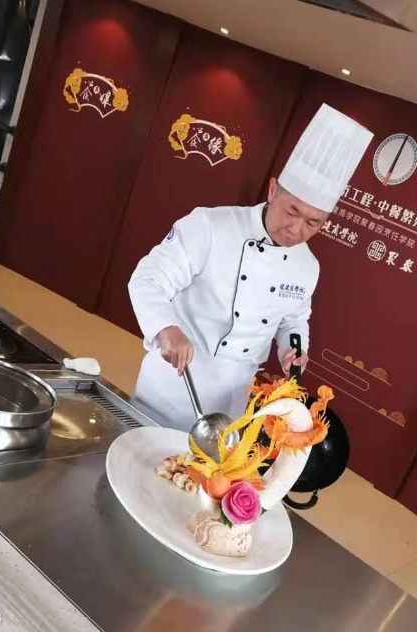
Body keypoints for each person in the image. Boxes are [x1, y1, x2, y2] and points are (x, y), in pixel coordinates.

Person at [128, 104, 373, 430]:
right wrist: (166, 328)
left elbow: (294, 320)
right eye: (292, 211)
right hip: (176, 378)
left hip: (233, 396)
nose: (296, 229)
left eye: (313, 222)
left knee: (211, 462)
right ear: (272, 190)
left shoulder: (307, 266)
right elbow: (148, 279)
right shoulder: (211, 225)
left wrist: (292, 350)